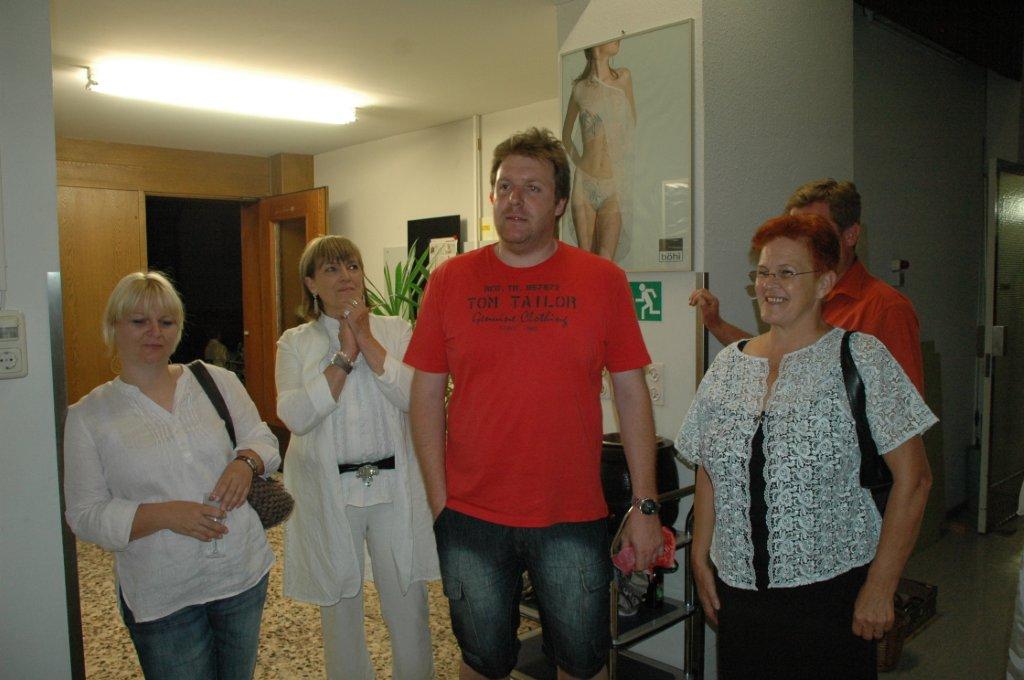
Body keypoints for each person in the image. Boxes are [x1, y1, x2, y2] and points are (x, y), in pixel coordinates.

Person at [406, 127, 662, 680]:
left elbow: (631, 393)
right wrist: (439, 502)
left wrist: (645, 506)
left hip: (570, 513)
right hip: (470, 514)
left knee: (583, 664)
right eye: (504, 187)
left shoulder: (602, 280)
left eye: (532, 188)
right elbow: (424, 396)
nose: (514, 200)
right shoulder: (450, 280)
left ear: (562, 203)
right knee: (481, 661)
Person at [677, 214, 935, 679]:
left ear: (825, 283)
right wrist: (699, 556)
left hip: (831, 596)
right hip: (738, 592)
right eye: (763, 272)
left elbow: (914, 480)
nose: (769, 284)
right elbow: (709, 465)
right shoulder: (728, 367)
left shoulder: (861, 358)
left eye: (787, 272)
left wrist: (881, 586)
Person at [64, 271, 279, 680]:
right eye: (139, 321)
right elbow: (85, 514)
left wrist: (246, 462)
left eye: (166, 322)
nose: (154, 332)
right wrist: (165, 515)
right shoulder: (89, 416)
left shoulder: (217, 381)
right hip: (163, 595)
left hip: (241, 574)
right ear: (113, 327)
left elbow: (263, 439)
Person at [275, 235, 438, 680]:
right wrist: (345, 354)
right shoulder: (295, 343)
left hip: (393, 489)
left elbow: (416, 398)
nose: (345, 276)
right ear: (311, 283)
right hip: (333, 494)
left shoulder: (395, 329)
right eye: (331, 269)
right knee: (340, 612)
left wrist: (366, 340)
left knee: (408, 606)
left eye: (351, 266)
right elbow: (296, 416)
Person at [690, 179, 924, 393]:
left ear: (851, 235)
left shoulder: (887, 309)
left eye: (815, 231)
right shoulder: (792, 297)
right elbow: (777, 361)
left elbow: (904, 408)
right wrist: (716, 324)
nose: (800, 242)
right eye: (795, 230)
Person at [561, 38, 636, 262]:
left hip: (613, 182)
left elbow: (632, 123)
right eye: (611, 36)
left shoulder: (623, 78)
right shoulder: (580, 89)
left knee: (605, 260)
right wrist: (580, 162)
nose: (618, 39)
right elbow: (566, 135)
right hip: (585, 181)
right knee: (585, 257)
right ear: (596, 43)